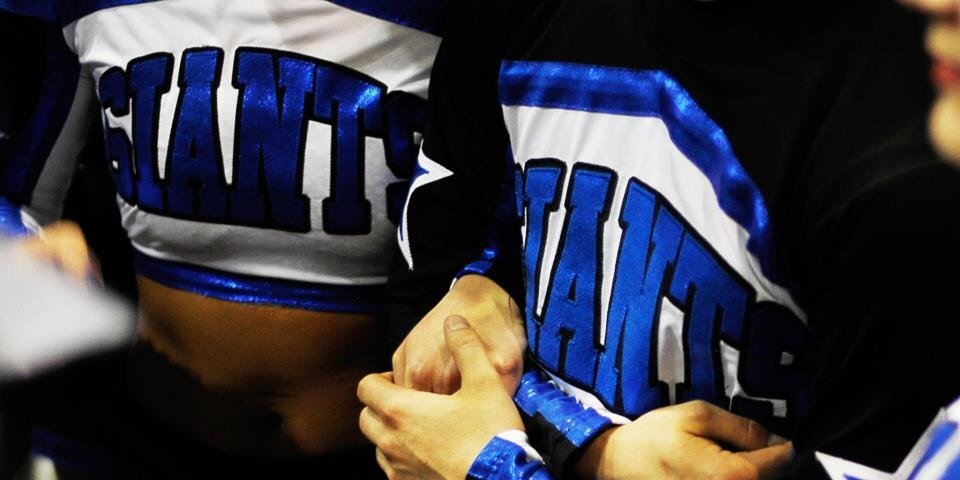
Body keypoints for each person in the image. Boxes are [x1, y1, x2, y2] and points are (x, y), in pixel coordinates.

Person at [361, 0, 960, 478]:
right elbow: (420, 353)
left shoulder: (908, 140)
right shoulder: (516, 15)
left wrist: (503, 464)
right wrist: (592, 450)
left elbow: (448, 443)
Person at [0, 0, 445, 476]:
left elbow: (490, 227)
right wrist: (24, 248)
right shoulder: (89, 8)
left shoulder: (454, 19)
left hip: (386, 455)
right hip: (149, 440)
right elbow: (19, 193)